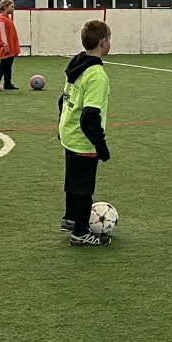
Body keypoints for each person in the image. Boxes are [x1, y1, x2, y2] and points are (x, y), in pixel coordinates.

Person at [58, 20, 113, 247]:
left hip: (68, 132)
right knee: (84, 188)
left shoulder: (77, 63)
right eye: (109, 39)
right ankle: (80, 233)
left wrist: (62, 125)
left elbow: (62, 100)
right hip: (82, 139)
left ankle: (70, 218)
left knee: (73, 180)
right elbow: (90, 116)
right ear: (103, 42)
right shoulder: (97, 75)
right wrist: (101, 146)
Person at [0, 0, 20, 91]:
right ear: (5, 7)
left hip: (10, 45)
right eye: (11, 7)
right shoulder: (1, 19)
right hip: (6, 46)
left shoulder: (7, 17)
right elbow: (2, 33)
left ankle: (7, 83)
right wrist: (5, 45)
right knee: (3, 65)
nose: (13, 9)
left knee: (8, 65)